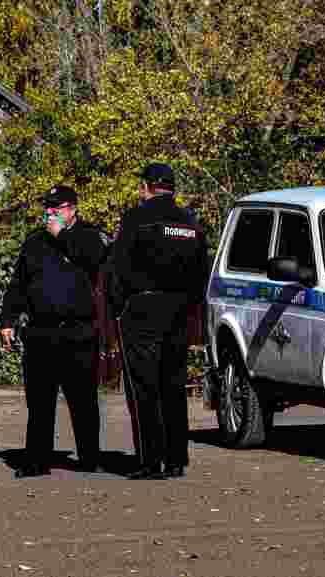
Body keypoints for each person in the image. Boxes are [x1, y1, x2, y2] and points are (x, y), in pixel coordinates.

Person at [0, 184, 110, 478]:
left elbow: (95, 259)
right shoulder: (35, 242)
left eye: (57, 208)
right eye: (47, 208)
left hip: (78, 332)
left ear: (73, 209)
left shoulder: (90, 236)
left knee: (83, 402)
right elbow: (18, 284)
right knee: (39, 403)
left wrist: (63, 236)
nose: (50, 213)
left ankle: (89, 458)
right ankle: (37, 460)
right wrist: (7, 320)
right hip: (40, 332)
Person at [109, 163, 208, 480]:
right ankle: (176, 459)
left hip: (142, 307)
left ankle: (150, 460)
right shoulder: (189, 221)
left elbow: (118, 267)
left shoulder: (135, 218)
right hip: (178, 310)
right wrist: (189, 305)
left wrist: (118, 306)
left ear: (146, 187)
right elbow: (201, 271)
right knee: (173, 385)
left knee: (144, 387)